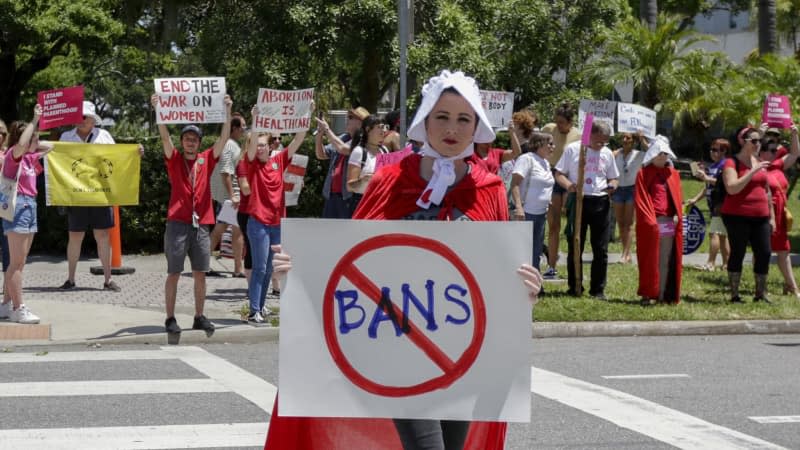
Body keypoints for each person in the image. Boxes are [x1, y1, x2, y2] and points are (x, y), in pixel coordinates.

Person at [263, 70, 543, 450]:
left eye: (464, 119)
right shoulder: (389, 179)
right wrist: (297, 273)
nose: (452, 128)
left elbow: (496, 273)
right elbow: (350, 261)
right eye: (441, 116)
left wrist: (524, 290)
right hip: (398, 351)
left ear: (477, 126)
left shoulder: (489, 188)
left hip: (463, 358)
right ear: (424, 120)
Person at [150, 93, 233, 335]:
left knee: (200, 273)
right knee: (174, 272)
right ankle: (170, 318)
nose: (190, 142)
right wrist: (158, 110)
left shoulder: (206, 159)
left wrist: (227, 111)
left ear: (199, 143)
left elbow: (224, 138)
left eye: (194, 139)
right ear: (182, 141)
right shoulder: (174, 159)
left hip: (202, 224)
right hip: (177, 223)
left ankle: (199, 316)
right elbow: (164, 137)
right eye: (186, 138)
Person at [243, 105, 310, 323]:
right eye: (258, 145)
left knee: (269, 268)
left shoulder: (278, 160)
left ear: (270, 145)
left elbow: (298, 140)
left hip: (276, 223)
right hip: (259, 222)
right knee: (260, 267)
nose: (260, 148)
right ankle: (254, 310)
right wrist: (255, 119)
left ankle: (260, 307)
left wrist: (305, 113)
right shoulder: (251, 163)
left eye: (264, 145)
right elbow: (252, 144)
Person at [57, 101, 120, 292]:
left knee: (102, 236)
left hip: (101, 195)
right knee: (75, 236)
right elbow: (55, 160)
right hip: (76, 196)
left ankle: (108, 280)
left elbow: (118, 159)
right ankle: (70, 279)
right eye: (78, 116)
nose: (81, 120)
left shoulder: (105, 136)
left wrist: (136, 153)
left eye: (84, 117)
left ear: (93, 120)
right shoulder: (66, 137)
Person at [0, 105, 54, 324]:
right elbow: (21, 144)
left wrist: (35, 137)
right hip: (18, 206)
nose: (36, 141)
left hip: (29, 206)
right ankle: (18, 307)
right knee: (16, 263)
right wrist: (34, 120)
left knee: (20, 262)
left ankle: (5, 305)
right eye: (32, 138)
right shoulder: (14, 155)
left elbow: (49, 147)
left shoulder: (30, 158)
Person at [554, 121, 619, 299]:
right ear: (589, 135)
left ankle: (598, 289)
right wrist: (569, 186)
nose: (601, 146)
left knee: (601, 248)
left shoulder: (607, 153)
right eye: (598, 141)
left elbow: (614, 177)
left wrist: (613, 185)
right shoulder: (574, 149)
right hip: (579, 201)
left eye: (604, 142)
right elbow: (558, 173)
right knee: (576, 245)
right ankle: (575, 286)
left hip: (601, 201)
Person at [720, 126, 774, 304]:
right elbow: (732, 188)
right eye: (754, 141)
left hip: (761, 216)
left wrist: (771, 216)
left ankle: (760, 293)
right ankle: (734, 294)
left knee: (765, 252)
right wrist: (752, 171)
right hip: (737, 215)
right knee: (738, 252)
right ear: (743, 142)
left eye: (760, 140)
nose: (758, 144)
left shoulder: (758, 160)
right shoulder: (731, 162)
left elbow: (767, 191)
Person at [634, 136, 683, 305]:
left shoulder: (673, 174)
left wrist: (677, 214)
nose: (662, 156)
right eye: (659, 153)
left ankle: (662, 294)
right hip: (650, 223)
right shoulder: (643, 174)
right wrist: (650, 221)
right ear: (652, 154)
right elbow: (640, 199)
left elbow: (677, 199)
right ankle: (648, 293)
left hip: (667, 222)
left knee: (664, 258)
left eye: (665, 153)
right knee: (649, 258)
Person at [540, 103, 581, 279]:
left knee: (573, 226)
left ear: (570, 122)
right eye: (557, 121)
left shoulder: (578, 135)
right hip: (551, 177)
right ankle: (551, 265)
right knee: (554, 224)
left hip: (569, 180)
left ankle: (575, 266)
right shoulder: (549, 129)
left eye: (562, 122)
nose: (559, 125)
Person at [761, 125, 800, 297]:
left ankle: (792, 287)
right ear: (761, 151)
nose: (774, 151)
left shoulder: (777, 165)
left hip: (779, 213)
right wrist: (760, 133)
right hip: (763, 213)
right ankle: (761, 286)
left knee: (784, 250)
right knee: (761, 250)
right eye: (770, 149)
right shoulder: (756, 165)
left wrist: (794, 134)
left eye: (775, 149)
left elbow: (795, 154)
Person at [207, 113, 247, 278]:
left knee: (227, 230)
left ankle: (237, 268)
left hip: (229, 197)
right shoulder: (229, 146)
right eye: (243, 126)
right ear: (235, 128)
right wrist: (232, 196)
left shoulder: (230, 144)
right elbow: (226, 172)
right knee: (225, 230)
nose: (245, 129)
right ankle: (237, 269)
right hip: (230, 198)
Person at [510, 132, 555, 273]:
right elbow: (515, 184)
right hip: (526, 212)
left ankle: (535, 284)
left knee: (536, 250)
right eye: (550, 143)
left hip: (541, 213)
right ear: (539, 144)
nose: (553, 147)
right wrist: (518, 207)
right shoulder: (526, 159)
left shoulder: (546, 163)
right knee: (522, 251)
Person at [315, 106, 369, 218]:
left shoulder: (364, 142)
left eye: (350, 117)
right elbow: (321, 154)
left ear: (360, 122)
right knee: (329, 232)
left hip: (349, 197)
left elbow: (343, 149)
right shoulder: (344, 138)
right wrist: (320, 134)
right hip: (332, 196)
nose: (346, 119)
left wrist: (327, 130)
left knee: (347, 233)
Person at [686, 138, 731, 271]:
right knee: (722, 235)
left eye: (720, 150)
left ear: (726, 151)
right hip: (714, 204)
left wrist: (706, 177)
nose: (715, 153)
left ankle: (710, 263)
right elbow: (707, 188)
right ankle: (727, 264)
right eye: (713, 150)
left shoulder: (726, 165)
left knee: (714, 233)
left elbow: (724, 183)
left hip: (721, 203)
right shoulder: (713, 166)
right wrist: (695, 199)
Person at [612, 132, 646, 264]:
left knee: (629, 223)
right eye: (623, 138)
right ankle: (626, 253)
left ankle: (625, 254)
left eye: (628, 138)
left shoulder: (639, 155)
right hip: (619, 189)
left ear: (633, 141)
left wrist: (642, 139)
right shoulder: (616, 154)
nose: (625, 140)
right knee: (620, 223)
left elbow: (652, 153)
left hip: (632, 189)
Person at [346, 114, 388, 213]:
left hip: (381, 201)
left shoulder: (384, 150)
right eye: (380, 127)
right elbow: (349, 187)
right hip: (362, 202)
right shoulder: (359, 152)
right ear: (368, 129)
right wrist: (363, 180)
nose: (384, 131)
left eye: (385, 127)